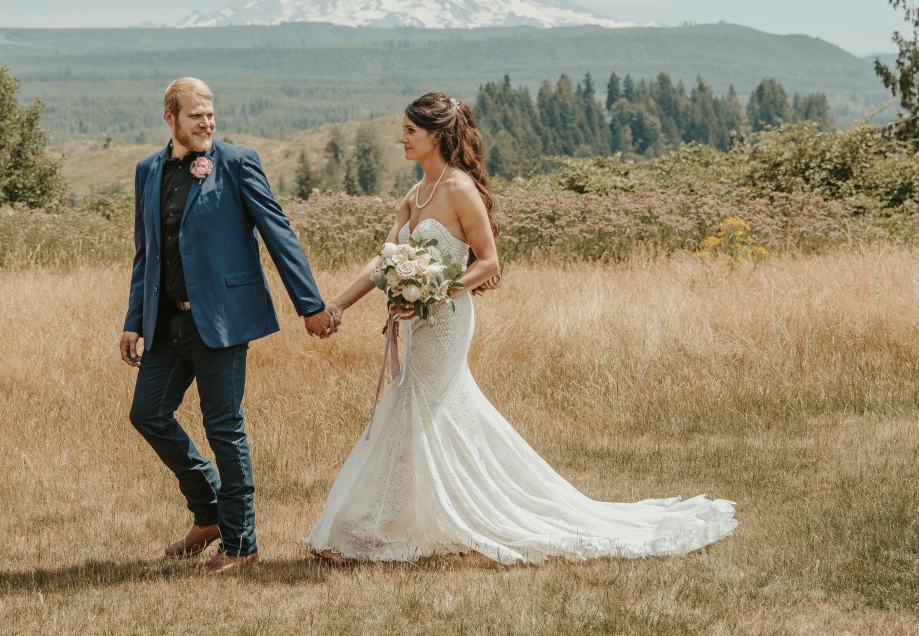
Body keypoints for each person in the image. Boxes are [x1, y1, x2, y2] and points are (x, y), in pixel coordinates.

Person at [304, 92, 737, 565]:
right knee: (425, 409)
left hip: (445, 319)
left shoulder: (460, 189)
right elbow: (384, 260)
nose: (401, 138)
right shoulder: (414, 194)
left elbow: (489, 262)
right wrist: (338, 306)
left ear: (437, 136)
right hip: (415, 323)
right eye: (404, 130)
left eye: (411, 131)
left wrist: (434, 293)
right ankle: (418, 519)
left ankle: (378, 526)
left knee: (416, 408)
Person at [121, 77, 338, 573]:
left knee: (224, 428)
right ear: (170, 117)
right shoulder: (147, 170)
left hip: (221, 321)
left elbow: (277, 231)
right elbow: (145, 254)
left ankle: (241, 544)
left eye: (211, 114)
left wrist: (310, 305)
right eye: (196, 115)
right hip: (164, 323)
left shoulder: (237, 163)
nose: (207, 123)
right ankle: (211, 512)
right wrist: (134, 320)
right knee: (147, 414)